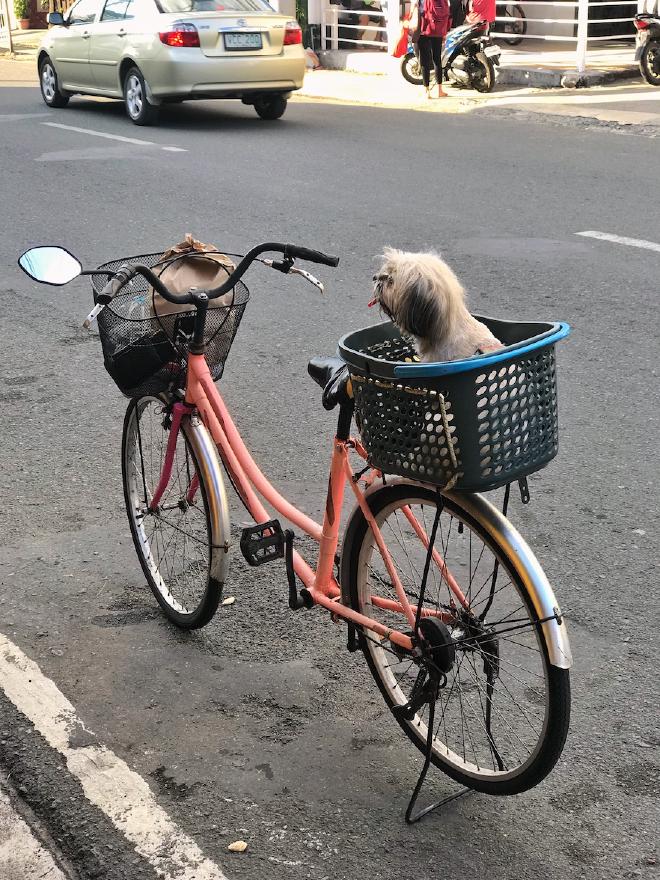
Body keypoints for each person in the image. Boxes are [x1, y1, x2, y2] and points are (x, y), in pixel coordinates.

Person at [417, 0, 451, 98]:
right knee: (437, 59)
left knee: (424, 60)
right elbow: (448, 14)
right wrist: (444, 32)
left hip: (424, 30)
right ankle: (439, 90)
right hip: (438, 30)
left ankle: (427, 91)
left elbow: (416, 11)